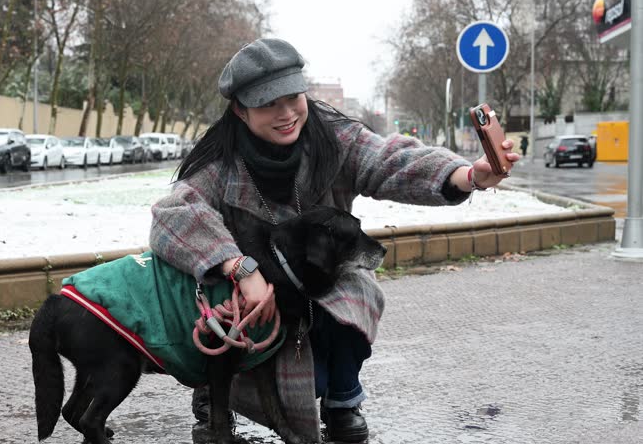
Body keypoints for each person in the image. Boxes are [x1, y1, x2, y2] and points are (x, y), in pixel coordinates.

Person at [148, 38, 519, 442]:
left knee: (358, 294)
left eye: (293, 97)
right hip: (251, 296)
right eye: (269, 104)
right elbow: (173, 213)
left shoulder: (336, 139)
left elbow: (392, 160)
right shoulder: (221, 162)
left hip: (323, 278)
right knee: (216, 315)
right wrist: (239, 266)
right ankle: (213, 396)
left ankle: (343, 402)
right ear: (240, 109)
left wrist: (467, 175)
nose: (287, 113)